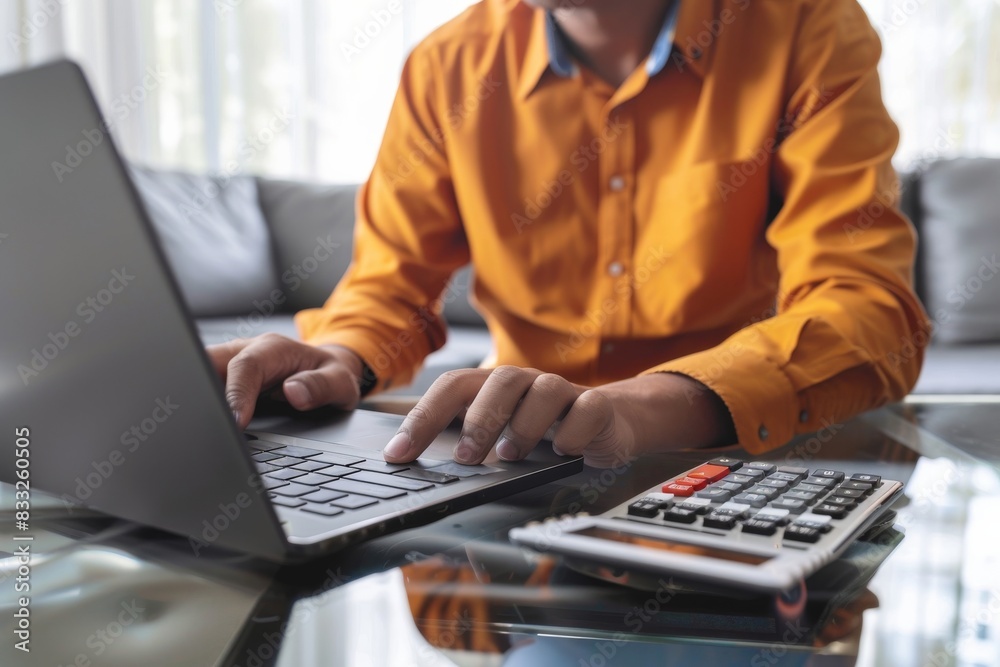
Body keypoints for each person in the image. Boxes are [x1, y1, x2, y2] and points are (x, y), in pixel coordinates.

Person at [208, 0, 929, 468]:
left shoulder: (807, 29)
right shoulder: (445, 67)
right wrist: (335, 359)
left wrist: (639, 409)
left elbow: (868, 309)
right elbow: (388, 289)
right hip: (514, 456)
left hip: (732, 450)